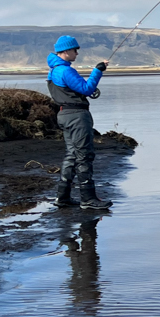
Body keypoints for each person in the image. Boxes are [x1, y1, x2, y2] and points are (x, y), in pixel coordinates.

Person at [47, 36, 112, 209]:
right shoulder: (65, 71)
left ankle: (63, 197)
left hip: (64, 115)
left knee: (72, 155)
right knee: (84, 155)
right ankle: (88, 199)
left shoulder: (53, 70)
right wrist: (98, 71)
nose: (77, 53)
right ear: (66, 51)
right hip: (77, 116)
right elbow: (86, 89)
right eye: (75, 50)